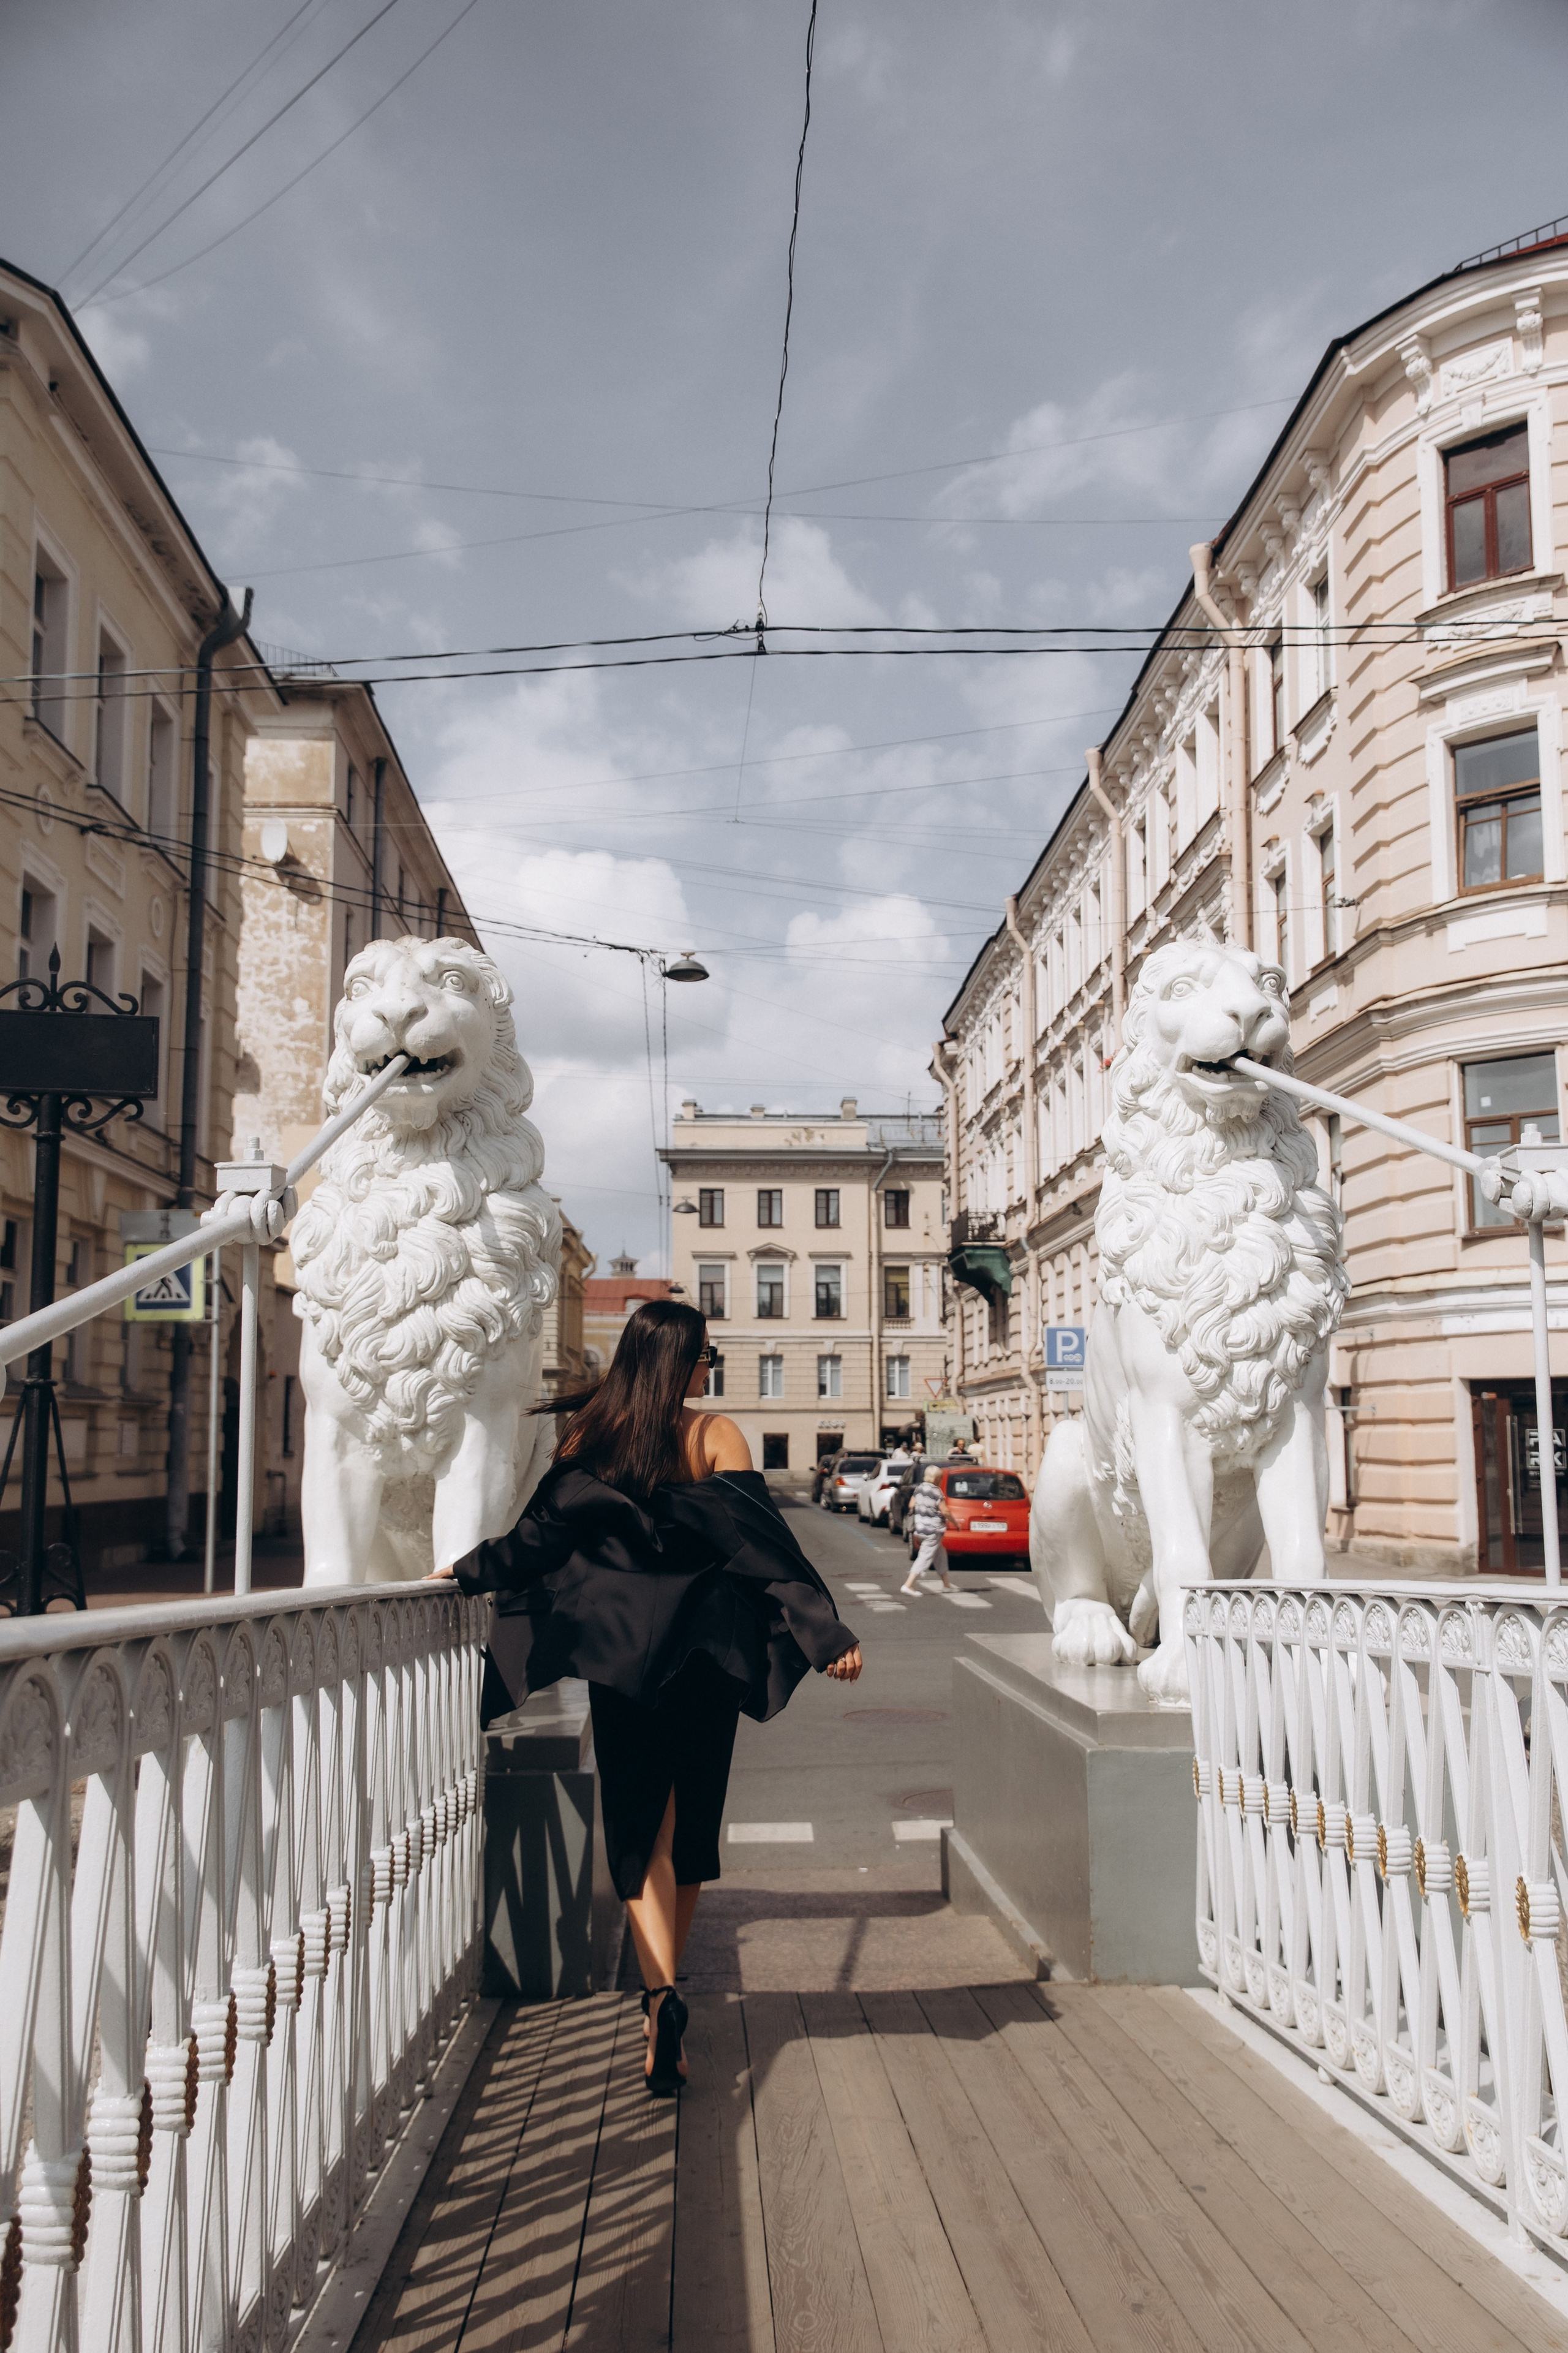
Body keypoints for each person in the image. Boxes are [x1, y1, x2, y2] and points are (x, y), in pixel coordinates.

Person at [431, 1299, 862, 2097]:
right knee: (690, 1826)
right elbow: (760, 1546)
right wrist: (824, 1632)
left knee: (638, 1831)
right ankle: (666, 1997)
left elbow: (536, 1543)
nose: (712, 1364)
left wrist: (464, 1572)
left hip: (621, 1661)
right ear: (678, 1360)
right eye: (705, 1353)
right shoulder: (714, 1436)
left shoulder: (589, 1441)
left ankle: (657, 1994)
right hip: (706, 1659)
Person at [900, 1465, 957, 1595]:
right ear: (937, 1478)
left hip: (920, 1529)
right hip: (933, 1531)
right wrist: (956, 1524)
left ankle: (946, 1585)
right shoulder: (937, 1492)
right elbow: (946, 1511)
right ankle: (908, 1585)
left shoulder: (919, 1489)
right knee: (924, 1558)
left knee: (940, 1554)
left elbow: (911, 1505)